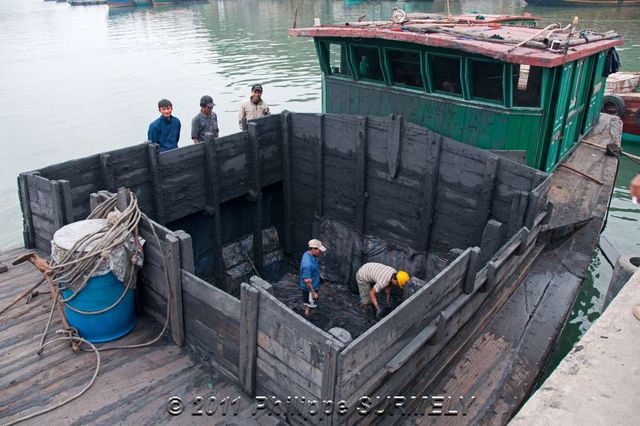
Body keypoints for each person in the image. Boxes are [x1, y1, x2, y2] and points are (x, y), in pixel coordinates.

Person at [299, 239, 326, 318]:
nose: (320, 251)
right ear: (313, 249)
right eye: (318, 249)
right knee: (310, 304)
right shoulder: (307, 265)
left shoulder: (307, 254)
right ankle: (307, 317)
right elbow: (307, 282)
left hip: (314, 283)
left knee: (310, 303)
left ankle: (308, 312)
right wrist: (313, 293)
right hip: (310, 289)